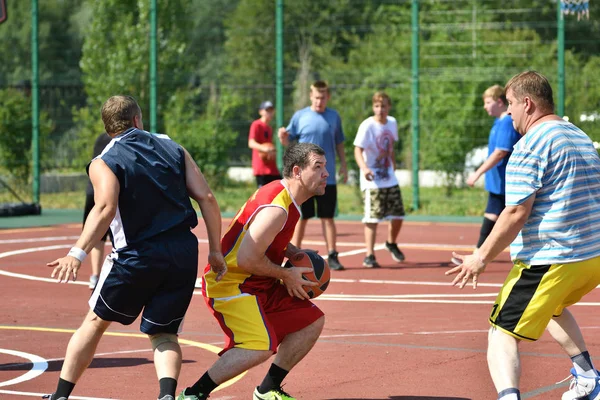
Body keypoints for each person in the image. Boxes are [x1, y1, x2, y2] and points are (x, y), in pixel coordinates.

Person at [44, 95, 227, 400]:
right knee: (165, 334)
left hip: (137, 257)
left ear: (108, 127)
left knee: (94, 322)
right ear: (138, 120)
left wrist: (77, 253)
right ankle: (167, 395)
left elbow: (104, 207)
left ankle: (61, 395)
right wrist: (216, 251)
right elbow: (206, 198)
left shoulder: (104, 160)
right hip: (182, 253)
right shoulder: (173, 147)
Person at [446, 71, 600, 400]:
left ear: (527, 103)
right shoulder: (579, 135)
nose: (509, 112)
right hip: (591, 257)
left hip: (552, 259)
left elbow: (516, 212)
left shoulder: (530, 145)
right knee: (552, 306)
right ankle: (588, 376)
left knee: (501, 334)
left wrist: (480, 257)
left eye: (512, 104)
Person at [177, 143, 327, 400]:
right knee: (259, 346)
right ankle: (194, 394)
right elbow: (246, 259)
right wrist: (286, 274)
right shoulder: (277, 209)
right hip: (230, 283)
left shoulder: (286, 198)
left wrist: (290, 252)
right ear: (297, 171)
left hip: (257, 281)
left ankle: (268, 389)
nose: (326, 173)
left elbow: (264, 239)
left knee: (311, 321)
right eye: (318, 167)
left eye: (325, 167)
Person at [278, 80, 348, 271]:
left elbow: (339, 143)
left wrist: (344, 165)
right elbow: (288, 142)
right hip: (304, 179)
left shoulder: (334, 117)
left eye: (323, 97)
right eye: (316, 97)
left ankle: (333, 254)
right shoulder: (300, 116)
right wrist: (283, 138)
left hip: (327, 176)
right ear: (311, 96)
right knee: (301, 217)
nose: (319, 101)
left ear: (328, 97)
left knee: (328, 217)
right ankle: (295, 255)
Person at [353, 91, 406, 268]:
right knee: (372, 217)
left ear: (388, 107)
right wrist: (365, 168)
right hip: (372, 178)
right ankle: (370, 255)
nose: (380, 109)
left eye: (383, 106)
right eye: (376, 106)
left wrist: (393, 163)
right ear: (373, 107)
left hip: (389, 176)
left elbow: (390, 147)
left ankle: (391, 243)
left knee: (398, 214)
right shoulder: (367, 126)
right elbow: (357, 150)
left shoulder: (392, 123)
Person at [466, 84, 521, 250]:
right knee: (496, 215)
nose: (485, 106)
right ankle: (480, 251)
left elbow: (500, 153)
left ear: (499, 102)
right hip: (498, 181)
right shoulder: (499, 123)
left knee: (502, 216)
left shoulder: (506, 123)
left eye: (488, 102)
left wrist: (477, 173)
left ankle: (479, 252)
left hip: (506, 181)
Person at [82, 132, 113, 289]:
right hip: (108, 191)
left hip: (93, 190)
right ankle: (115, 274)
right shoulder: (123, 141)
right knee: (120, 235)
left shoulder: (101, 138)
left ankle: (95, 276)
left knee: (96, 234)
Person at [248, 100, 282, 187]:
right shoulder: (256, 124)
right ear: (260, 112)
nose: (269, 113)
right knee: (263, 196)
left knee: (280, 188)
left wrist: (272, 151)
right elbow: (251, 143)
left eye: (271, 111)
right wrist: (264, 148)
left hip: (271, 167)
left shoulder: (269, 128)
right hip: (261, 167)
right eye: (267, 110)